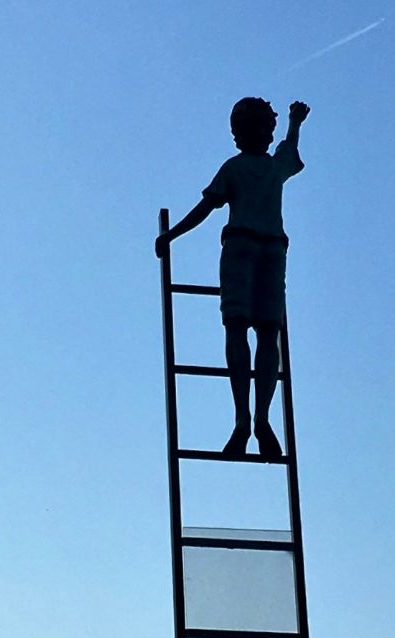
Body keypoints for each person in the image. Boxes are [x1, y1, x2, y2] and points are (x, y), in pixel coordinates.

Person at [156, 97, 310, 459]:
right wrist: (294, 122)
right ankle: (250, 419)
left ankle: (253, 419)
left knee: (256, 332)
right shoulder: (254, 168)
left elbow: (208, 206)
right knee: (253, 332)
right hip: (261, 248)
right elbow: (209, 206)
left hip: (256, 248)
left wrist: (294, 123)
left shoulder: (251, 167)